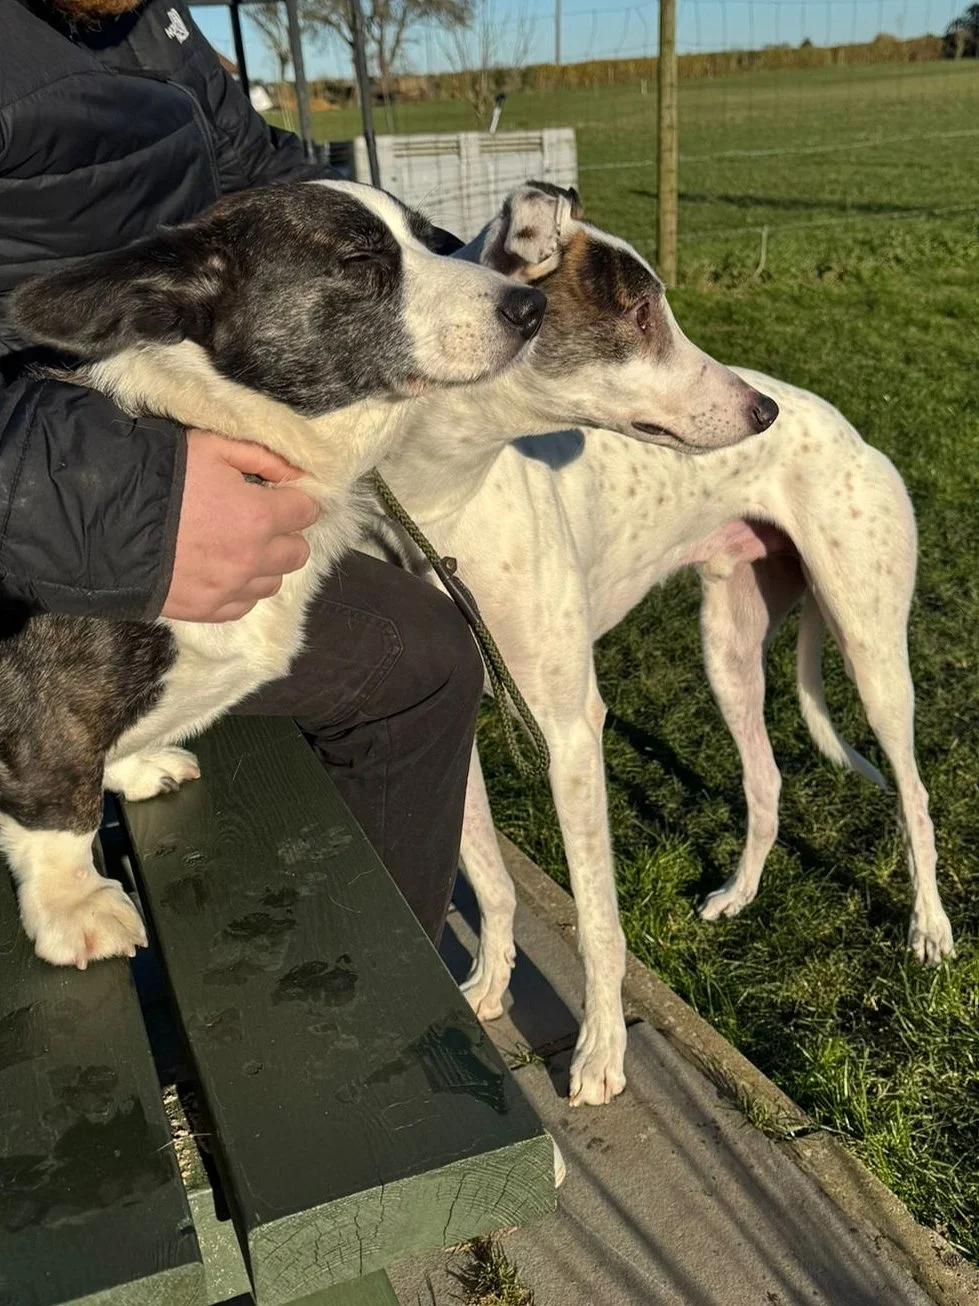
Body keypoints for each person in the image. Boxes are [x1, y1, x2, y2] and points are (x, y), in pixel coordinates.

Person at [0, 0, 484, 942]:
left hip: (167, 440)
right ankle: (58, 855)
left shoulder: (141, 22)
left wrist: (451, 272)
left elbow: (263, 175)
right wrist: (116, 503)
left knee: (421, 658)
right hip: (58, 501)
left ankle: (373, 1028)